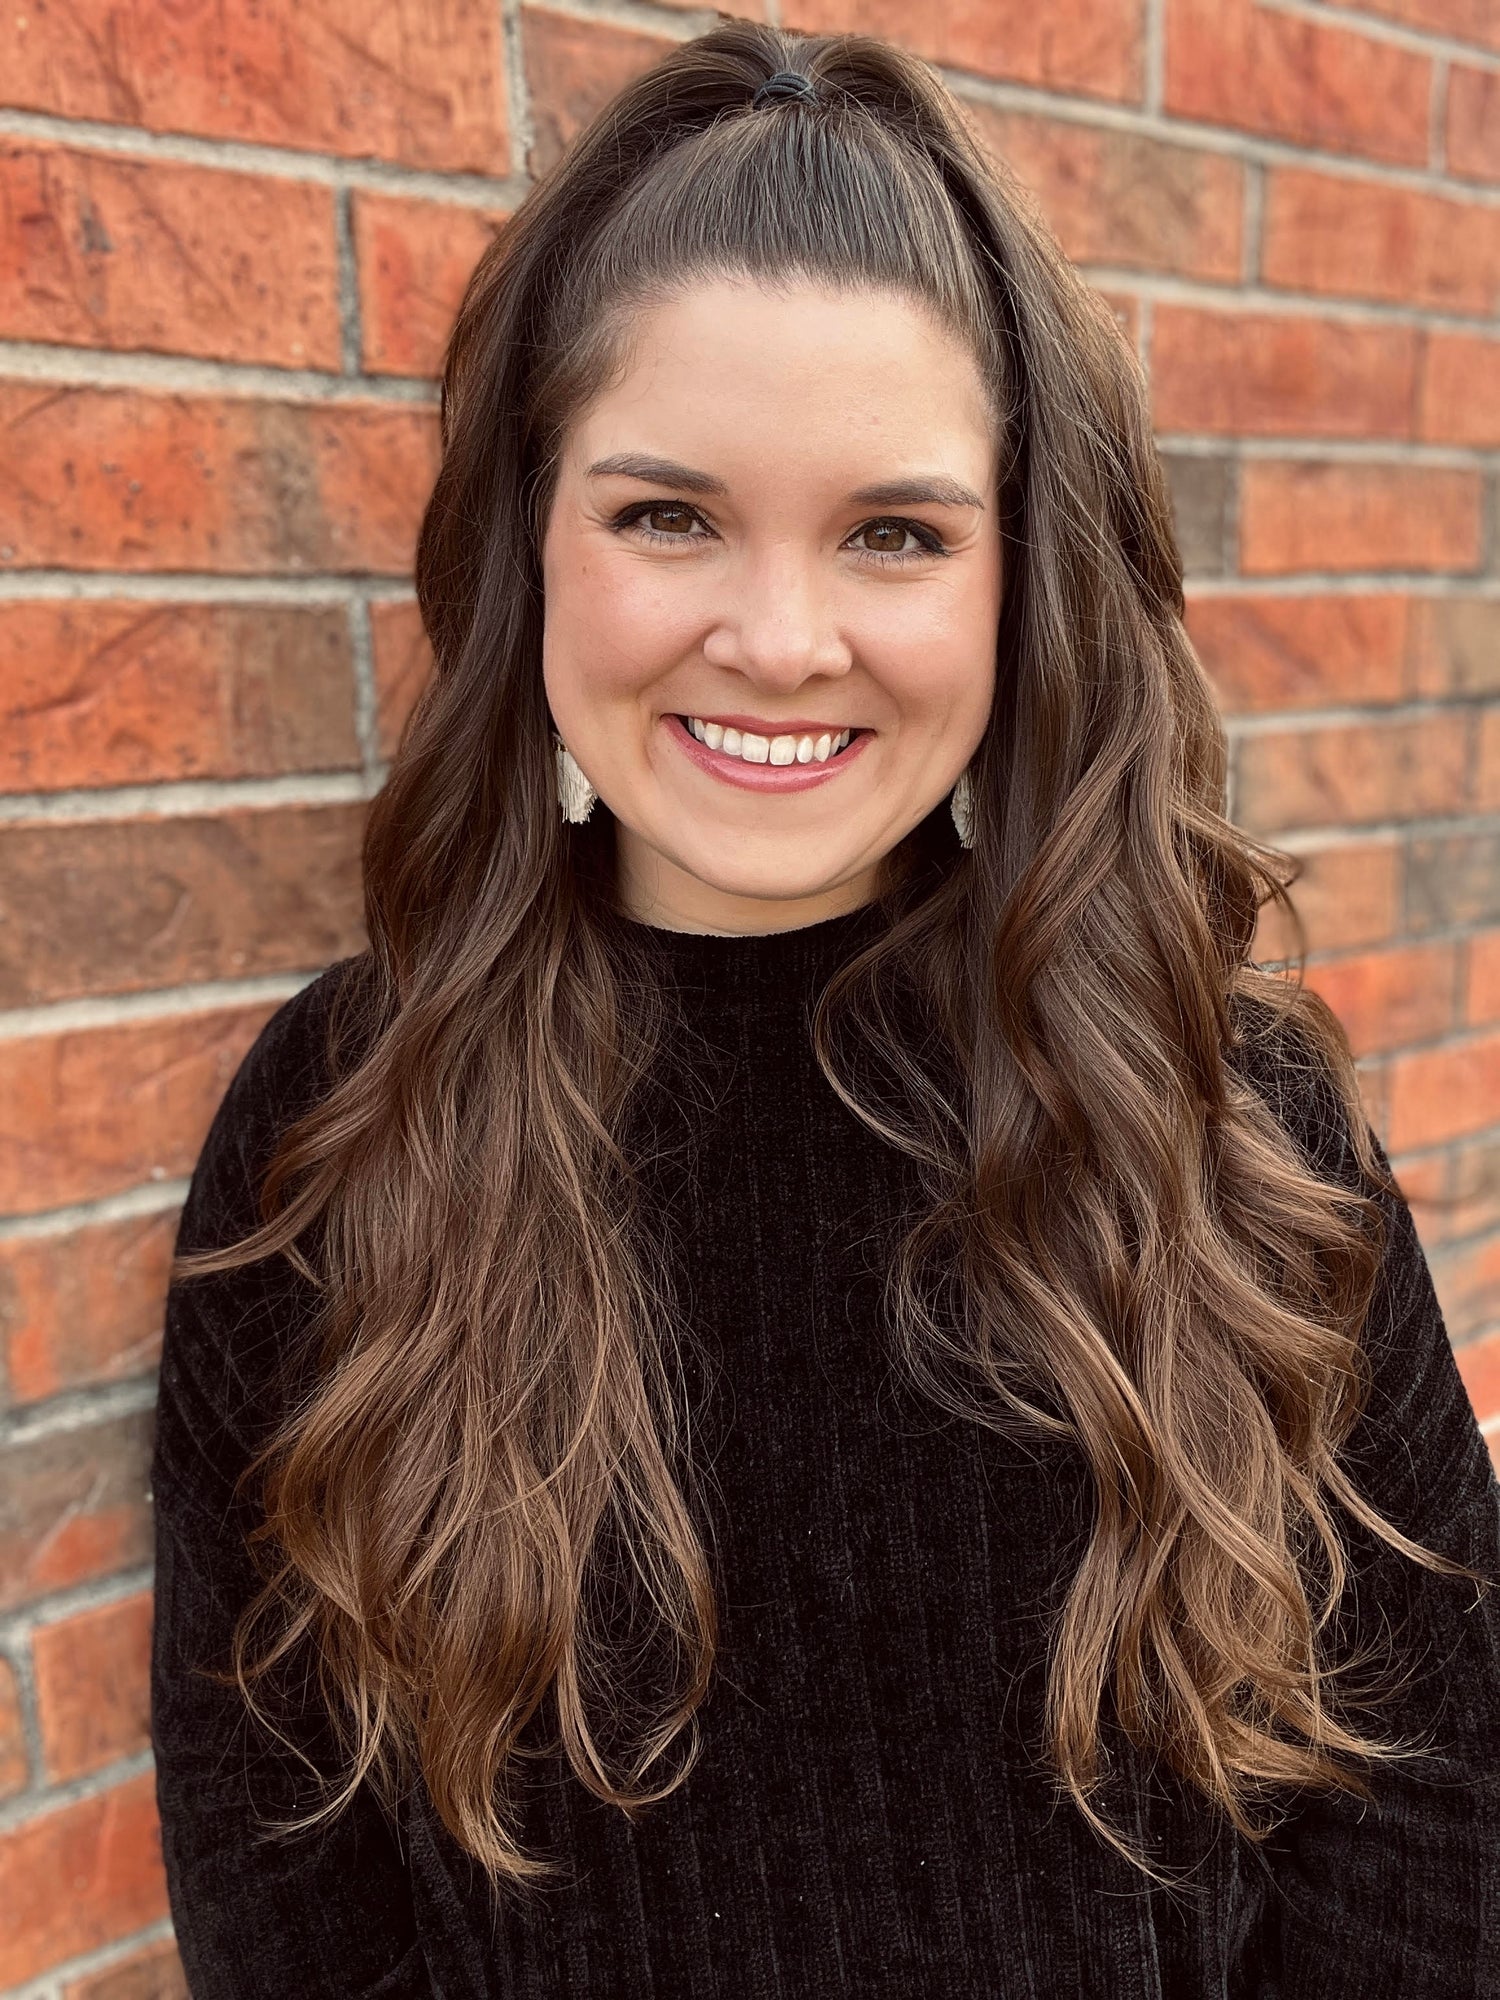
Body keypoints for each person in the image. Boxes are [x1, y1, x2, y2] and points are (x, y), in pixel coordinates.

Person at [149, 21, 1500, 1999]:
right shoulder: (344, 1129)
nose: (781, 640)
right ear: (532, 544)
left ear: (1018, 579)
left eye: (894, 533)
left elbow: (1432, 1813)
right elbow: (287, 1890)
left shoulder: (1225, 1110)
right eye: (668, 515)